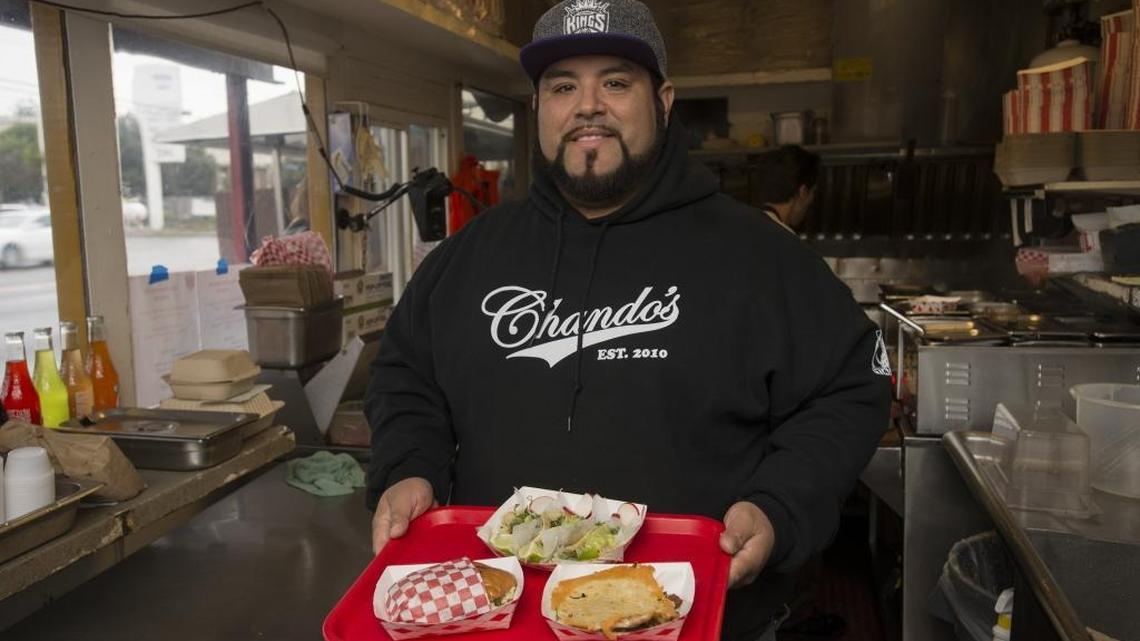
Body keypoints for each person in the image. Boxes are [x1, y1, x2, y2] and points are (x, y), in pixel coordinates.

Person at [365, 2, 891, 640]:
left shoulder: (758, 256)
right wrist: (409, 466)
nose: (588, 106)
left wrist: (779, 507)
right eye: (563, 87)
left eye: (615, 82)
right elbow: (406, 376)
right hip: (503, 623)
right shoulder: (470, 257)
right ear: (540, 108)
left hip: (703, 619)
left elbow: (850, 389)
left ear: (663, 102)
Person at [755, 145, 820, 234]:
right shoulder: (785, 237)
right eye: (813, 192)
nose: (812, 200)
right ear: (803, 192)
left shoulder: (746, 225)